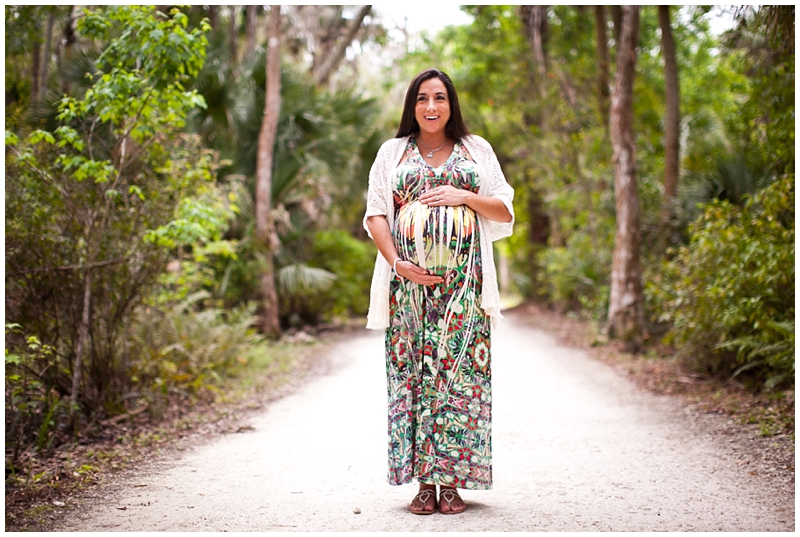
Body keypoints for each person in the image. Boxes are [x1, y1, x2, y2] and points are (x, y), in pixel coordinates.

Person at [363, 68, 514, 515]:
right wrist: (398, 263)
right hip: (407, 287)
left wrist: (462, 196)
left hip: (465, 287)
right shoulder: (392, 152)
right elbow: (376, 215)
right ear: (412, 105)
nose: (432, 107)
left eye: (440, 98)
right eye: (423, 98)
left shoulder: (475, 149)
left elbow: (504, 209)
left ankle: (452, 483)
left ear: (452, 105)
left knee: (460, 377)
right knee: (412, 376)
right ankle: (424, 484)